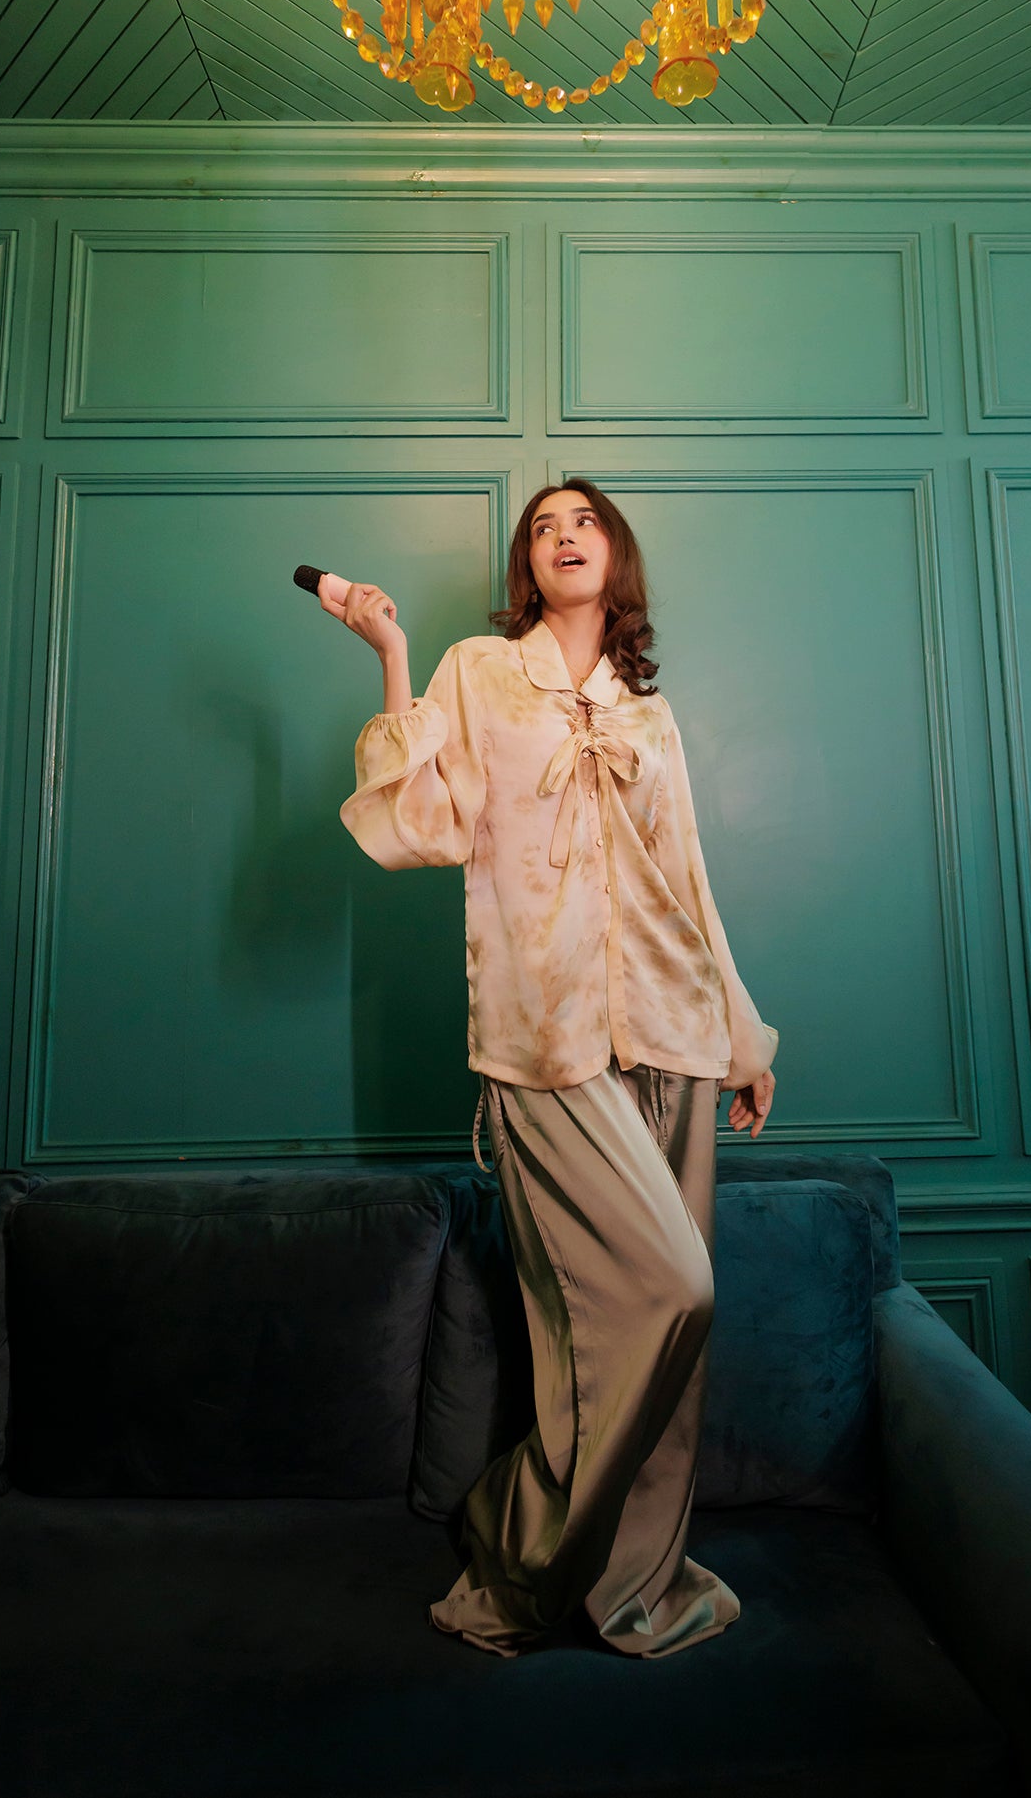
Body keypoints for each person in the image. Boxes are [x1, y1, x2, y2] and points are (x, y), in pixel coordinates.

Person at [332, 476, 778, 1661]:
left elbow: (689, 879)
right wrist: (392, 655)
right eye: (543, 528)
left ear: (614, 555)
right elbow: (424, 828)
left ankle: (635, 1584)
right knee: (660, 1294)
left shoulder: (649, 710)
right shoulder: (480, 673)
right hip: (546, 1044)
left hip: (675, 1036)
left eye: (584, 522)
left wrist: (741, 1036)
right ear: (526, 568)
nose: (564, 536)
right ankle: (523, 1546)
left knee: (673, 1349)